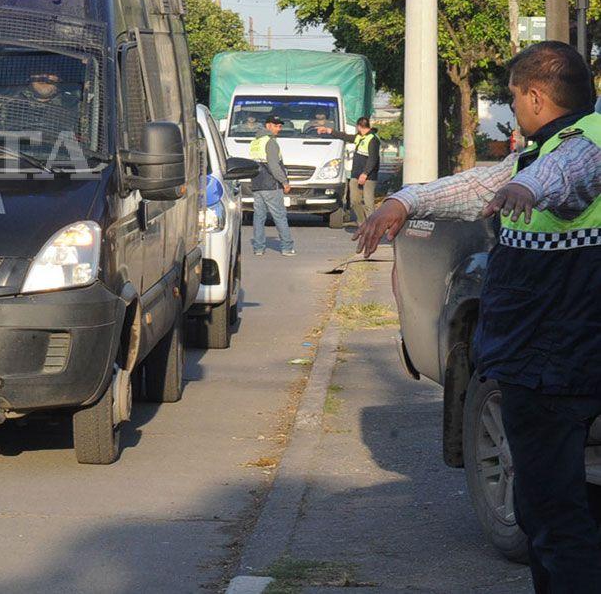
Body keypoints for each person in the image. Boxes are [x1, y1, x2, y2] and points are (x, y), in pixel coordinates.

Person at [356, 41, 601, 592]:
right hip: (548, 358)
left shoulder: (581, 148)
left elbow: (570, 175)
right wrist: (405, 202)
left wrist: (528, 187)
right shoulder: (542, 151)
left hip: (557, 362)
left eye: (514, 97)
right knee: (550, 513)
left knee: (552, 517)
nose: (513, 107)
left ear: (536, 96)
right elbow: (477, 186)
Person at [315, 116, 381, 227]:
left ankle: (372, 226)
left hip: (369, 176)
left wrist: (365, 173)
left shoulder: (373, 139)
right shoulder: (359, 137)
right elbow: (345, 137)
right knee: (354, 200)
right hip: (355, 174)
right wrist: (329, 130)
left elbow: (373, 158)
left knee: (369, 202)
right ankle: (362, 223)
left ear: (359, 127)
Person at [249, 115, 295, 256]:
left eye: (280, 126)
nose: (278, 129)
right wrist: (284, 182)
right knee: (280, 216)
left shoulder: (255, 141)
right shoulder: (270, 142)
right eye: (276, 126)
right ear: (268, 126)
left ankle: (258, 248)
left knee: (259, 217)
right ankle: (287, 247)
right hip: (271, 185)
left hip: (257, 184)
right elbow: (274, 166)